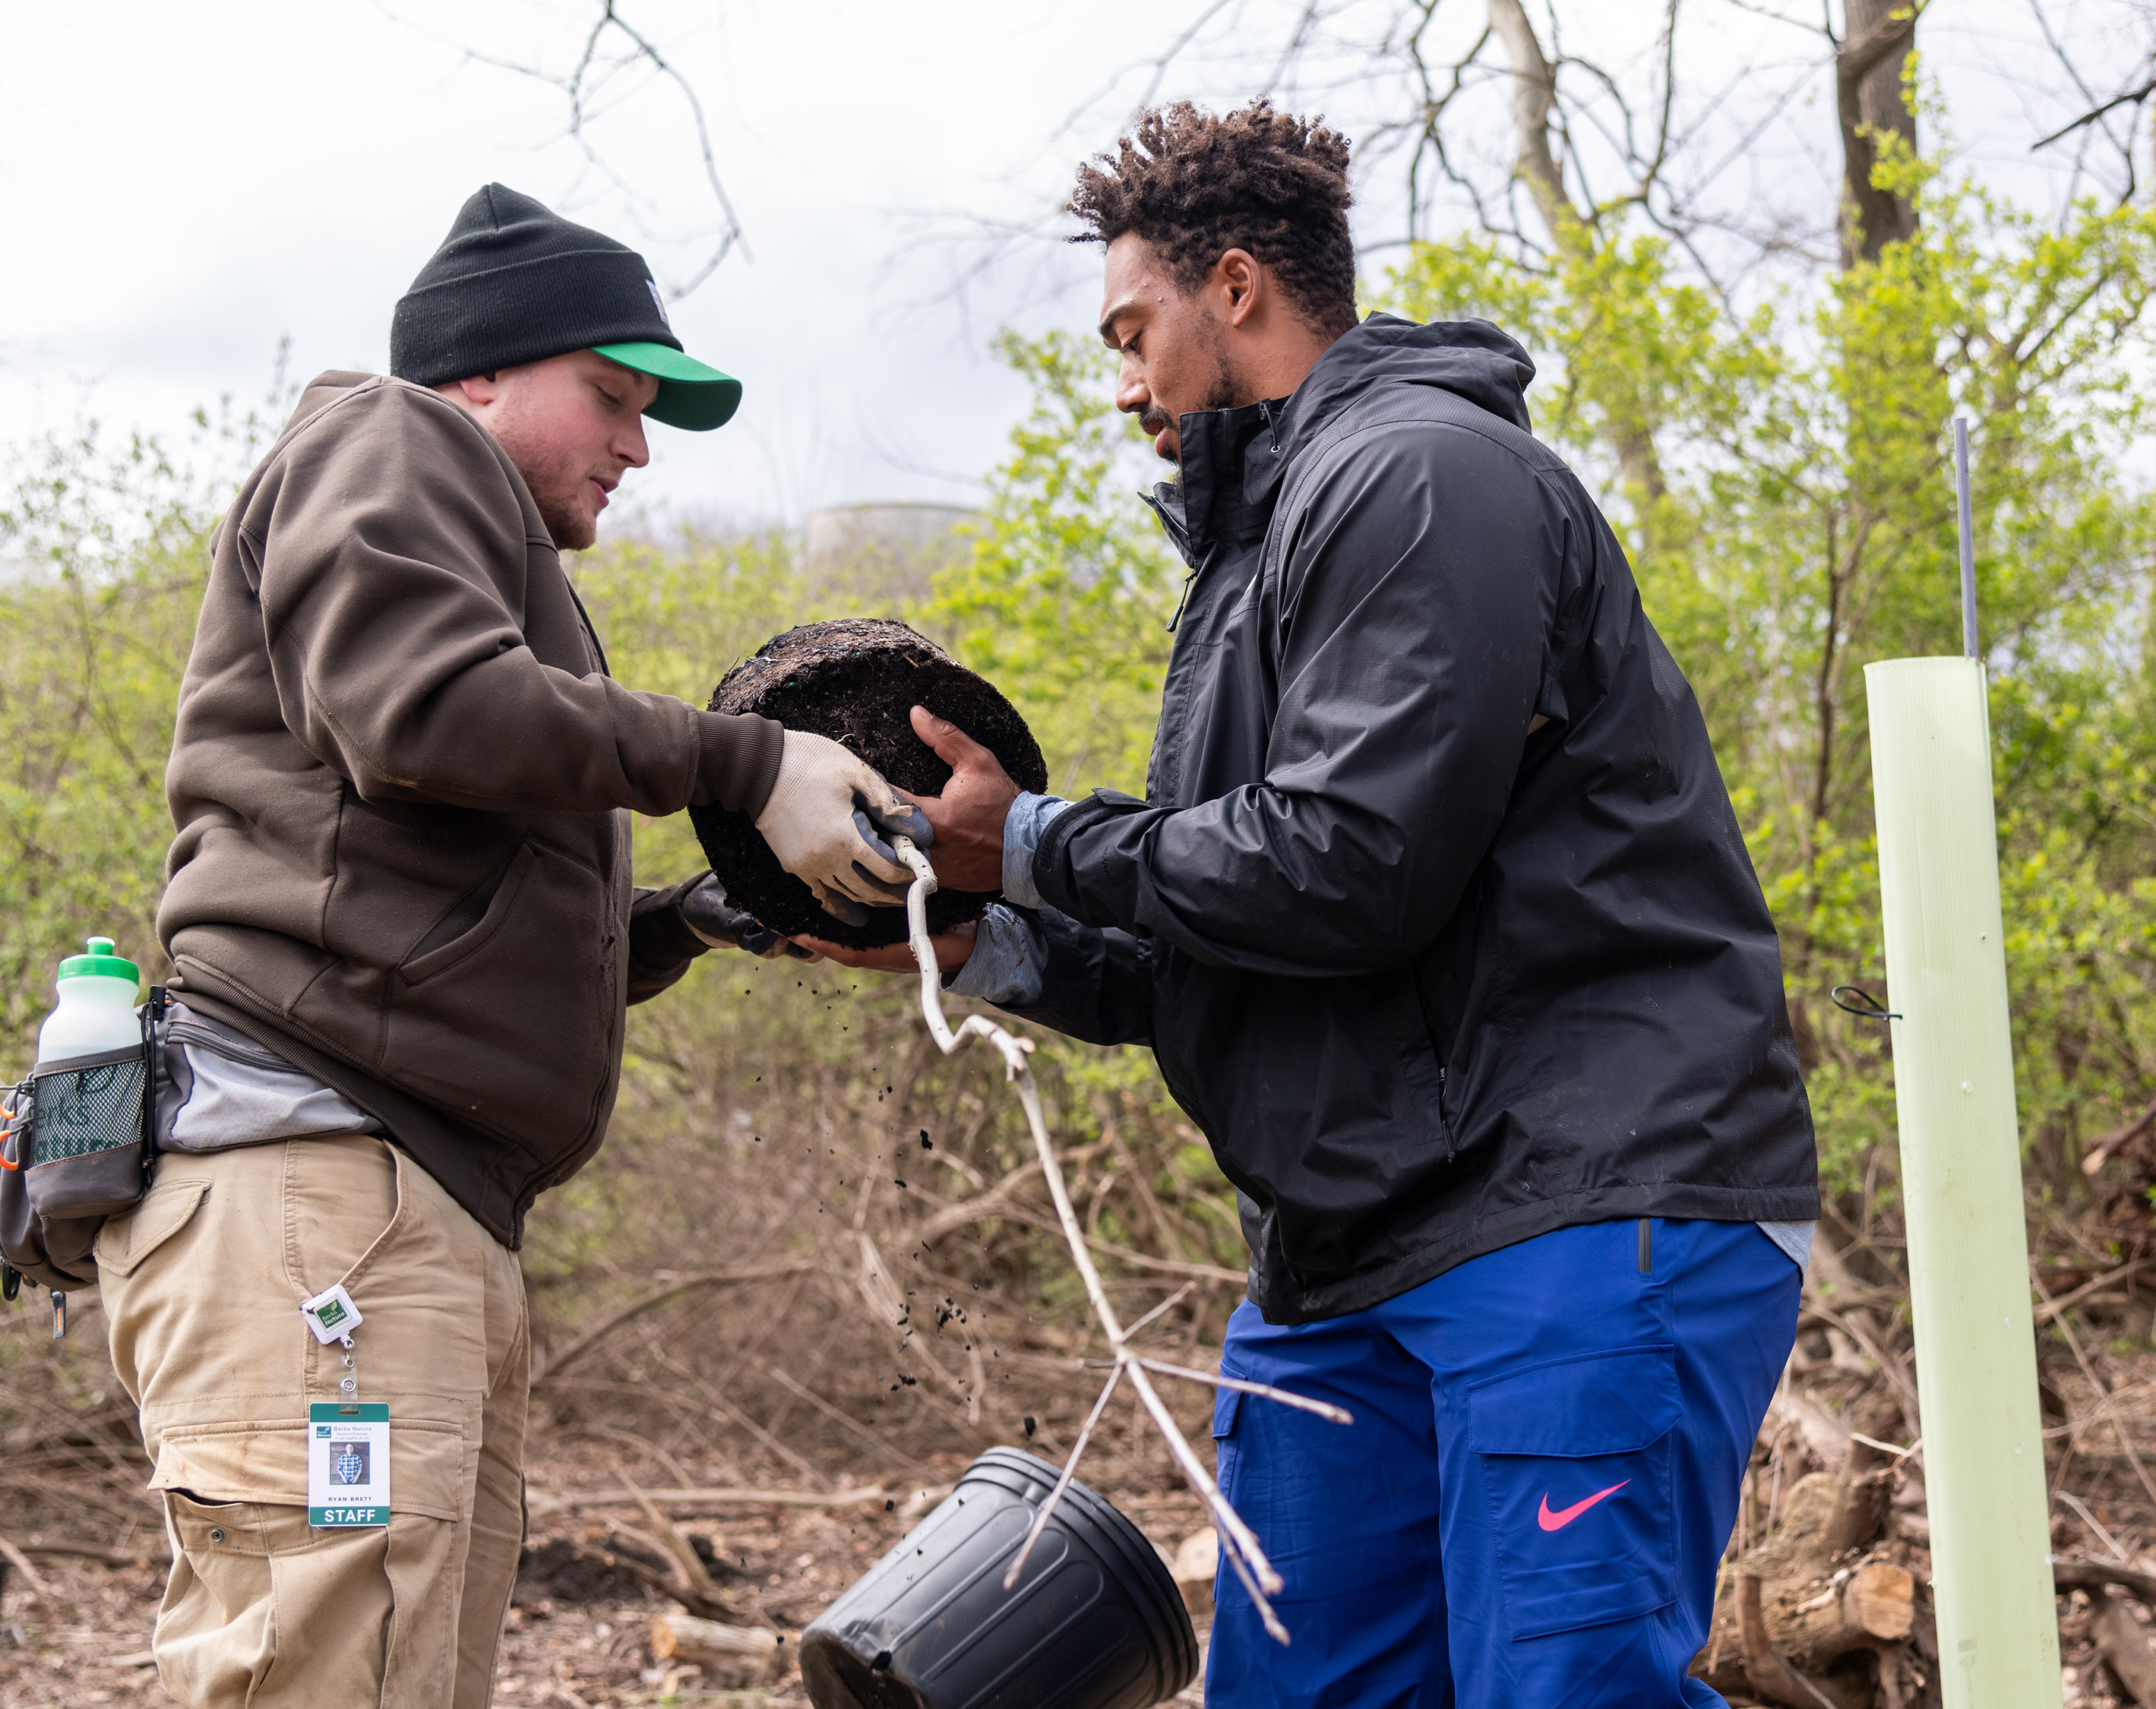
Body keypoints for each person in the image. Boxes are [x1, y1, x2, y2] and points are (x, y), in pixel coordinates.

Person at [808, 104, 1819, 1707]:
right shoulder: (1251, 558)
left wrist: (1040, 838)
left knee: (1562, 1692)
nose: (1125, 385)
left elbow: (1348, 865)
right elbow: (1224, 936)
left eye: (1133, 336)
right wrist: (975, 932)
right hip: (1345, 1257)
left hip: (1578, 1211)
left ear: (1235, 289)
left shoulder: (1425, 476)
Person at [103, 184, 925, 1709]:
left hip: (391, 1206)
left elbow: (429, 894)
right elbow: (421, 713)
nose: (638, 444)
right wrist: (746, 767)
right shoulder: (391, 439)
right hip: (321, 1200)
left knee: (392, 1673)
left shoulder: (480, 555)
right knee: (326, 1675)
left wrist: (685, 920)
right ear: (479, 374)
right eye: (612, 396)